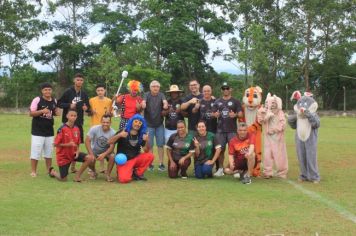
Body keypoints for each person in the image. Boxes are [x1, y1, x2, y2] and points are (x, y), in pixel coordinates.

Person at [49, 109, 94, 182]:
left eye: (75, 116)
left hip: (73, 154)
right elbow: (55, 144)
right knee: (63, 179)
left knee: (90, 158)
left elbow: (78, 143)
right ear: (67, 116)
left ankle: (77, 177)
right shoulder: (62, 129)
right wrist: (68, 144)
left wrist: (77, 151)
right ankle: (53, 172)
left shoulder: (77, 128)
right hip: (63, 156)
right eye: (71, 115)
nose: (73, 117)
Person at [58, 73, 90, 173]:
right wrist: (69, 105)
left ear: (83, 82)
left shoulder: (84, 93)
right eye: (77, 80)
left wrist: (86, 108)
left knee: (76, 144)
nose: (79, 82)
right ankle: (65, 163)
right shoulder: (68, 92)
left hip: (79, 122)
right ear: (74, 80)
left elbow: (88, 107)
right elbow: (59, 103)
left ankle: (73, 166)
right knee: (67, 143)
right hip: (68, 123)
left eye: (81, 80)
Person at [108, 114, 154, 183]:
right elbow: (109, 141)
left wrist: (147, 140)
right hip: (124, 161)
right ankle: (125, 171)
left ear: (142, 125)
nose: (137, 124)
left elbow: (146, 150)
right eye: (136, 122)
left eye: (140, 123)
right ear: (131, 122)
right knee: (124, 179)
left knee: (150, 156)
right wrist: (119, 135)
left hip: (135, 158)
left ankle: (136, 173)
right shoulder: (123, 131)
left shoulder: (141, 135)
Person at [212, 82, 243, 177]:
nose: (225, 90)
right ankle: (220, 169)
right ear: (221, 90)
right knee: (220, 150)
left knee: (235, 151)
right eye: (223, 88)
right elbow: (213, 113)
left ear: (230, 89)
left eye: (227, 88)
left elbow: (241, 114)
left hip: (232, 130)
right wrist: (215, 115)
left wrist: (236, 115)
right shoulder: (217, 101)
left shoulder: (236, 101)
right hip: (220, 130)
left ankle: (235, 170)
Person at [29, 83, 59, 177]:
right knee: (36, 151)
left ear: (51, 91)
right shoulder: (37, 99)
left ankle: (49, 170)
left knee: (49, 152)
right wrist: (41, 111)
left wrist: (57, 112)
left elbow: (54, 113)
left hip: (49, 131)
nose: (47, 91)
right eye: (45, 90)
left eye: (49, 90)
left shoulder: (54, 100)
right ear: (42, 91)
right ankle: (33, 171)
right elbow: (31, 113)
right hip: (38, 131)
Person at [141, 80, 168, 171]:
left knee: (160, 145)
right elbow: (143, 102)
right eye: (153, 86)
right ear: (150, 87)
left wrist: (165, 104)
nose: (155, 88)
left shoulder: (161, 95)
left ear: (159, 88)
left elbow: (165, 102)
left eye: (157, 86)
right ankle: (150, 164)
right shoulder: (146, 94)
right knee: (150, 145)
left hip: (159, 124)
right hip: (149, 124)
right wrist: (143, 104)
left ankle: (161, 163)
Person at [85, 115, 116, 182]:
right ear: (101, 122)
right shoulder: (94, 129)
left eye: (107, 122)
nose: (105, 124)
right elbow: (87, 141)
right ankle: (94, 172)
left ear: (110, 123)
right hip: (94, 150)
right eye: (103, 122)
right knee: (89, 157)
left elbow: (112, 147)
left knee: (113, 156)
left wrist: (104, 154)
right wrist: (91, 154)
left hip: (107, 151)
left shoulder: (113, 132)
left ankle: (108, 174)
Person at [89, 84, 112, 173]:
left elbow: (111, 114)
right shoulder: (91, 100)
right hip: (94, 127)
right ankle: (91, 168)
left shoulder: (109, 101)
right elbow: (88, 112)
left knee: (103, 146)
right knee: (93, 148)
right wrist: (92, 111)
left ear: (104, 91)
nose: (100, 92)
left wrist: (110, 112)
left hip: (105, 127)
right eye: (98, 90)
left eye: (101, 90)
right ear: (96, 91)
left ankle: (102, 168)